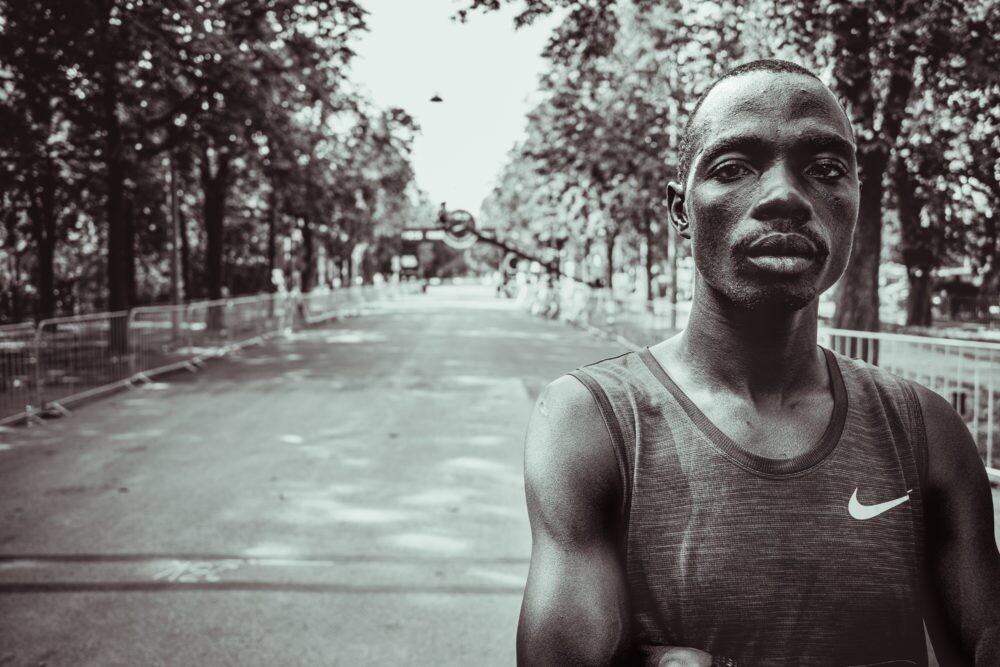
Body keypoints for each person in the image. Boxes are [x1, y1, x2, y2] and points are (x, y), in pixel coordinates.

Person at [517, 59, 1000, 666]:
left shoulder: (926, 430)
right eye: (733, 168)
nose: (784, 197)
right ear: (680, 210)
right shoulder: (590, 423)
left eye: (826, 169)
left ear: (856, 200)